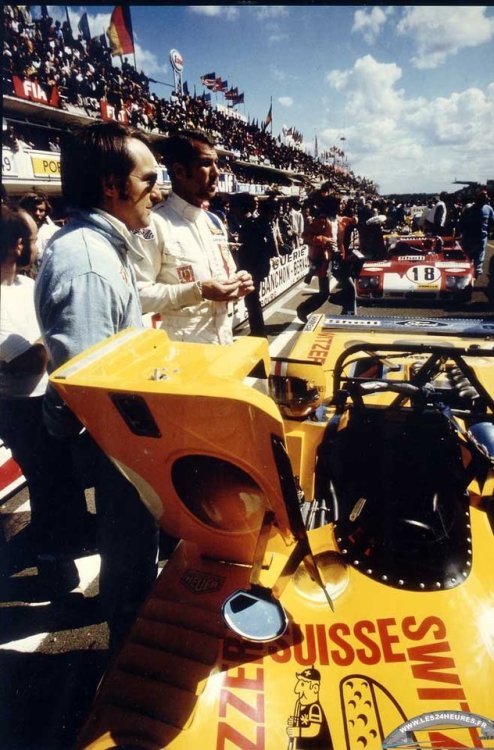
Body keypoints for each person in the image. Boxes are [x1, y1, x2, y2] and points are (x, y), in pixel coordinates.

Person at [35, 121, 161, 651]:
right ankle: (129, 682)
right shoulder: (88, 261)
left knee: (135, 564)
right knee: (131, 572)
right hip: (120, 450)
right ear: (113, 185)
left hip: (126, 445)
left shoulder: (100, 248)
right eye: (149, 178)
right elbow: (85, 385)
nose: (159, 189)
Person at [0, 204, 90, 594]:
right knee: (49, 486)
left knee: (62, 485)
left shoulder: (25, 287)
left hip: (47, 400)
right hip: (21, 410)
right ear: (19, 246)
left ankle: (58, 551)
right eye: (35, 239)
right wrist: (63, 328)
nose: (39, 247)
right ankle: (53, 567)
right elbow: (26, 365)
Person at [129, 129, 254, 344]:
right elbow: (137, 296)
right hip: (184, 353)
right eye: (206, 164)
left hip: (224, 341)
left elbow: (225, 276)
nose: (216, 172)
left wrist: (238, 283)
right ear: (179, 171)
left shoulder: (213, 221)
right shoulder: (153, 224)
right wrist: (197, 291)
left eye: (217, 163)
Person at [230, 194, 279, 337]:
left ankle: (258, 332)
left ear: (240, 208)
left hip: (251, 270)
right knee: (253, 301)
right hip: (258, 268)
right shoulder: (257, 223)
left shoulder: (249, 225)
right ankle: (258, 330)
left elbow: (253, 250)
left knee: (252, 302)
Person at [296, 195, 340, 323]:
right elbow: (305, 235)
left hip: (335, 258)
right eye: (339, 204)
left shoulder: (336, 219)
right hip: (323, 260)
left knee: (347, 286)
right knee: (324, 293)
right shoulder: (321, 220)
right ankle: (303, 309)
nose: (341, 206)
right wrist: (324, 240)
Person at [458, 188, 494, 280]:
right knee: (467, 256)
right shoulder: (469, 209)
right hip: (469, 237)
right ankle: (466, 275)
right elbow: (462, 222)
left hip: (481, 238)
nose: (486, 198)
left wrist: (488, 231)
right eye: (483, 197)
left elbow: (491, 222)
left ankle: (476, 274)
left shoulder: (489, 209)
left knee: (479, 257)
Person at [18, 190, 59, 269]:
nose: (37, 213)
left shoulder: (54, 233)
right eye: (33, 209)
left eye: (41, 210)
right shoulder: (16, 232)